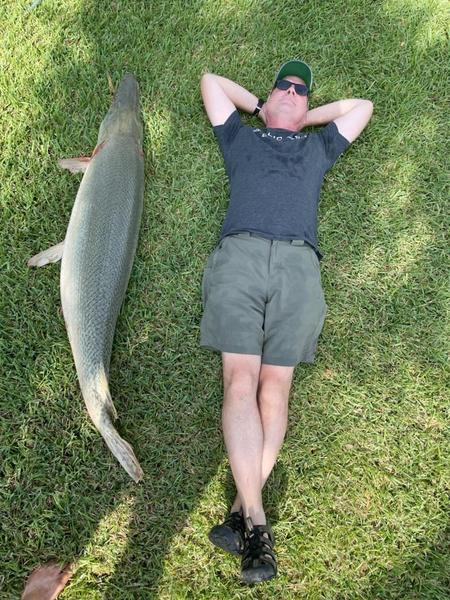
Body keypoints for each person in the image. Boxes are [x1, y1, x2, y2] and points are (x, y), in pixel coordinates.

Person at [200, 60, 373, 584]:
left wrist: (299, 118)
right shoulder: (241, 140)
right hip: (241, 258)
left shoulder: (317, 147)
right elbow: (211, 82)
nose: (293, 92)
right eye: (284, 86)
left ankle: (242, 510)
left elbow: (360, 108)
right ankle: (255, 523)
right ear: (265, 97)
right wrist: (264, 108)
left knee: (275, 392)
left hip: (300, 265)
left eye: (302, 91)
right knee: (240, 381)